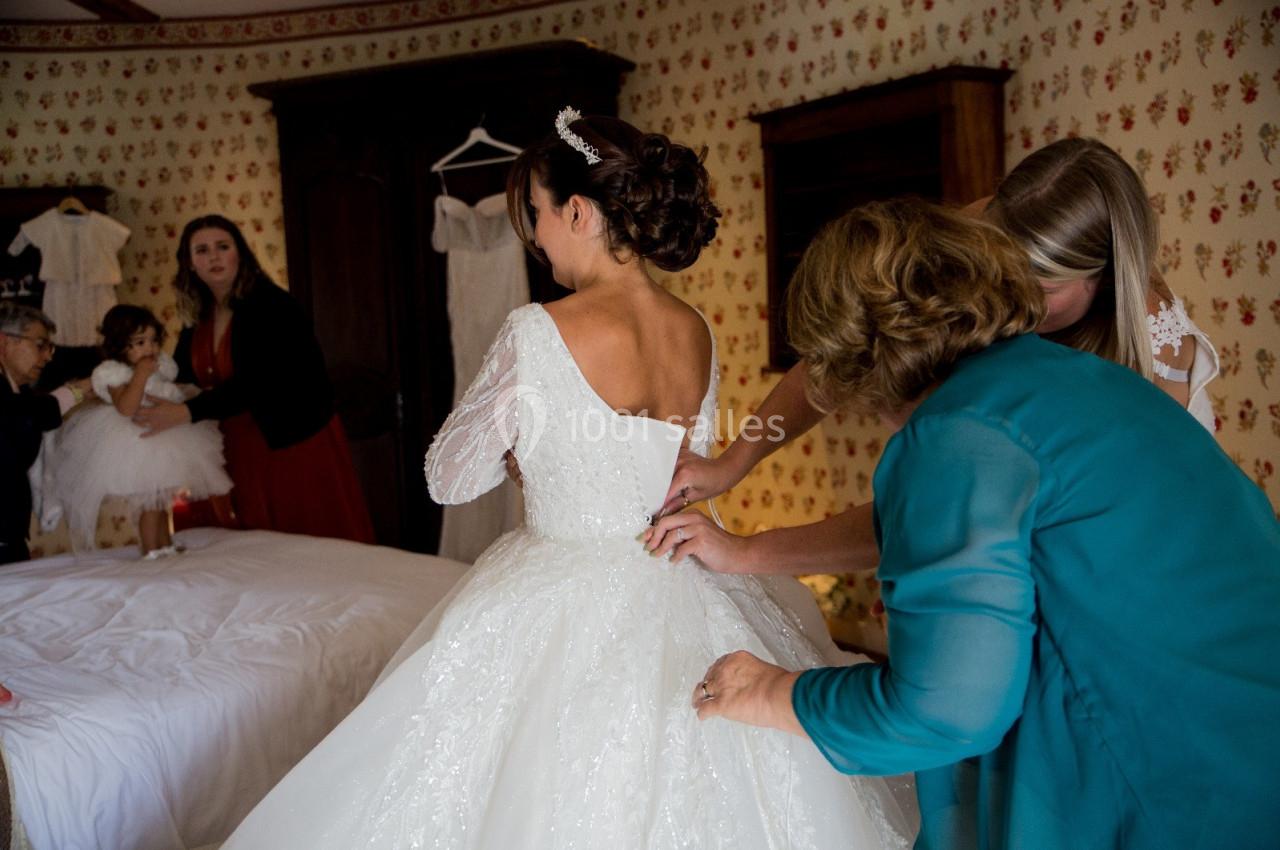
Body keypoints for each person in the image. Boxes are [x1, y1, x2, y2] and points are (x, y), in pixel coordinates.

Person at [219, 109, 915, 849]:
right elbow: (687, 460)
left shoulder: (537, 329)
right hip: (687, 575)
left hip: (559, 580)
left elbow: (448, 478)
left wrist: (522, 455)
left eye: (538, 217)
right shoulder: (695, 328)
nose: (537, 238)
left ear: (579, 212)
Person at [647, 199, 1280, 849]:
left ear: (842, 356)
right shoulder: (1061, 383)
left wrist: (772, 691)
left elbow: (946, 708)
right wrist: (746, 553)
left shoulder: (960, 436)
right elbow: (920, 527)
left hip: (1168, 779)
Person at [654, 137, 1219, 573]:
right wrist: (735, 461)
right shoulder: (973, 235)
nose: (1011, 302)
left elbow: (935, 509)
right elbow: (848, 350)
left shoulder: (1151, 368)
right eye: (1001, 271)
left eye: (1040, 288)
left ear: (1103, 280)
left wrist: (749, 553)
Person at [133, 214, 374, 543]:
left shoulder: (274, 305)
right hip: (234, 441)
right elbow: (183, 374)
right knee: (244, 549)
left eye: (222, 246)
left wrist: (187, 412)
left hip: (289, 440)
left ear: (240, 254)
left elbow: (264, 380)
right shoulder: (199, 318)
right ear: (190, 263)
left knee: (303, 540)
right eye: (202, 250)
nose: (213, 257)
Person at [39, 304, 232, 557]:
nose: (149, 348)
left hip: (164, 436)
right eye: (140, 342)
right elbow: (126, 408)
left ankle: (165, 544)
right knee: (149, 503)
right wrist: (140, 375)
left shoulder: (160, 364)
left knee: (162, 499)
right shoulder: (113, 372)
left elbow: (171, 389)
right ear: (120, 345)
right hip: (135, 441)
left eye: (153, 340)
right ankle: (151, 551)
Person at [0, 302, 89, 565]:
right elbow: (22, 414)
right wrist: (78, 391)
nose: (48, 356)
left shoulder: (19, 390)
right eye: (40, 345)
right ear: (4, 342)